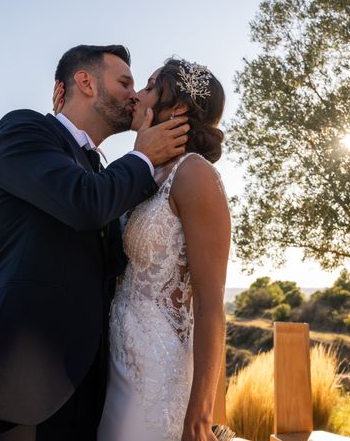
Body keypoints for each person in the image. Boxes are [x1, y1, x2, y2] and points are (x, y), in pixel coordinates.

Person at [0, 45, 190, 441]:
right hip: (12, 391)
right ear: (86, 82)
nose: (133, 94)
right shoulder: (24, 131)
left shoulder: (105, 171)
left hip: (87, 394)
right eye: (125, 82)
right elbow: (84, 204)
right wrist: (144, 158)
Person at [55, 58, 230, 441]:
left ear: (179, 109)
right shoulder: (140, 172)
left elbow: (210, 304)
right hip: (115, 362)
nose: (136, 95)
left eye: (150, 87)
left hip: (158, 368)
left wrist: (200, 415)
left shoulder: (194, 174)